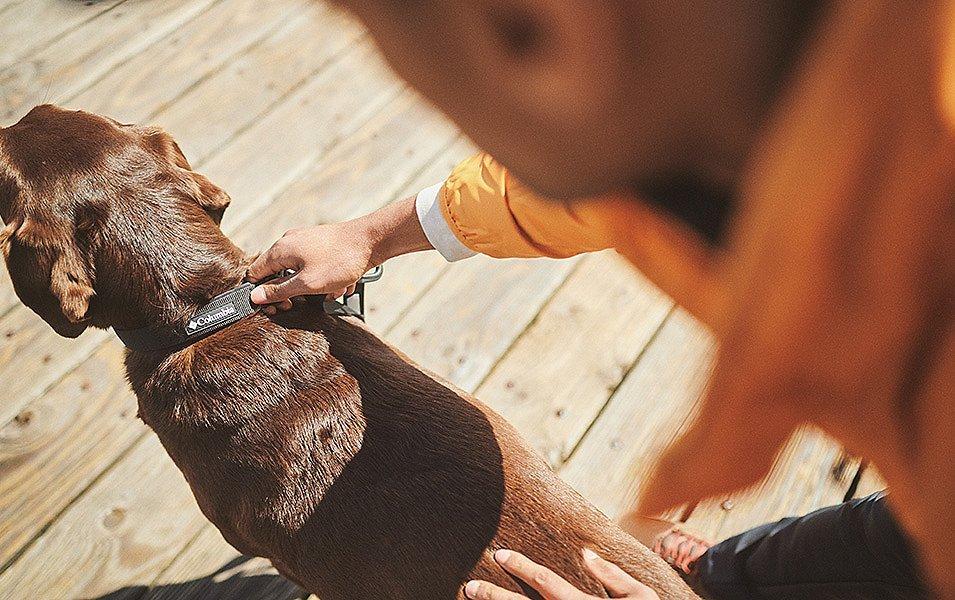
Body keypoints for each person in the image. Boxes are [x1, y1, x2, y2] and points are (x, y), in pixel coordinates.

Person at [246, 2, 953, 598]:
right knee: (828, 552)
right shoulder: (725, 112)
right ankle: (721, 576)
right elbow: (585, 188)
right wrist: (371, 235)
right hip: (915, 513)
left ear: (537, 30)